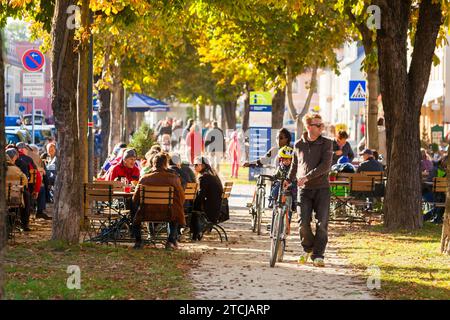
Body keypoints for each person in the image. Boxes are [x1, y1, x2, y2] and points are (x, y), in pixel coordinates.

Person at [287, 113, 333, 267]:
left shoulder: (327, 143)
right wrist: (288, 180)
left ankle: (318, 255)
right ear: (308, 127)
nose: (322, 127)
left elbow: (325, 166)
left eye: (322, 124)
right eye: (318, 125)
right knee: (303, 223)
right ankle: (308, 248)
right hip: (304, 191)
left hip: (322, 189)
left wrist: (306, 177)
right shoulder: (298, 144)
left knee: (322, 224)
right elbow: (294, 165)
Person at [132, 153, 185, 249]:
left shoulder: (144, 178)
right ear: (166, 164)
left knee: (135, 218)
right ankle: (170, 241)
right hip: (168, 213)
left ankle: (138, 241)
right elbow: (182, 197)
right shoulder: (174, 178)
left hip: (146, 213)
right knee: (175, 213)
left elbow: (135, 199)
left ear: (153, 164)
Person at [191, 156, 224, 241]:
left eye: (196, 165)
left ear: (202, 165)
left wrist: (193, 204)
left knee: (192, 209)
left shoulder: (204, 177)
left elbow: (201, 195)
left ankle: (195, 233)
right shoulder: (213, 174)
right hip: (217, 207)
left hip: (211, 209)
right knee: (195, 206)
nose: (194, 167)